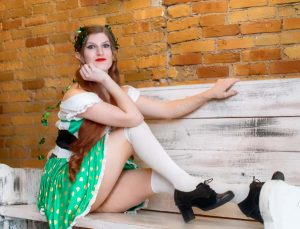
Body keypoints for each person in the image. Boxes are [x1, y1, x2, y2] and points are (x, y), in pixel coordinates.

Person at [37, 25, 300, 229]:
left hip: (96, 186)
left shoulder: (120, 92)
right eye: (91, 47)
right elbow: (133, 121)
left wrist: (209, 94)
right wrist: (107, 81)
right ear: (79, 56)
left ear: (113, 52)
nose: (101, 52)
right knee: (131, 132)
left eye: (106, 45)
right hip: (70, 187)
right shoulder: (76, 96)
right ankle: (189, 188)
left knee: (164, 177)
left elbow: (168, 110)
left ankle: (258, 200)